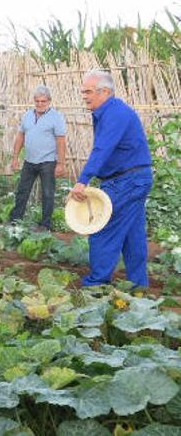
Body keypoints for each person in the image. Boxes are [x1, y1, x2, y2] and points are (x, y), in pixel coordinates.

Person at [71, 70, 153, 288]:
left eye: (88, 91)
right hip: (133, 179)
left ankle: (96, 284)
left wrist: (83, 179)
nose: (84, 96)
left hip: (128, 180)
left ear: (104, 91)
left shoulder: (115, 113)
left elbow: (102, 148)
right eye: (83, 92)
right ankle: (138, 285)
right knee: (132, 234)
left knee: (102, 227)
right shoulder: (111, 111)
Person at [9, 85, 67, 230]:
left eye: (43, 101)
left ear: (49, 101)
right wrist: (15, 157)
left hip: (47, 162)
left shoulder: (56, 117)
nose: (40, 104)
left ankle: (45, 225)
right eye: (37, 101)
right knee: (22, 191)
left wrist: (60, 163)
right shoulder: (27, 115)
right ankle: (15, 220)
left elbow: (61, 141)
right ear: (34, 101)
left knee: (47, 194)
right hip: (29, 161)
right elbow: (20, 136)